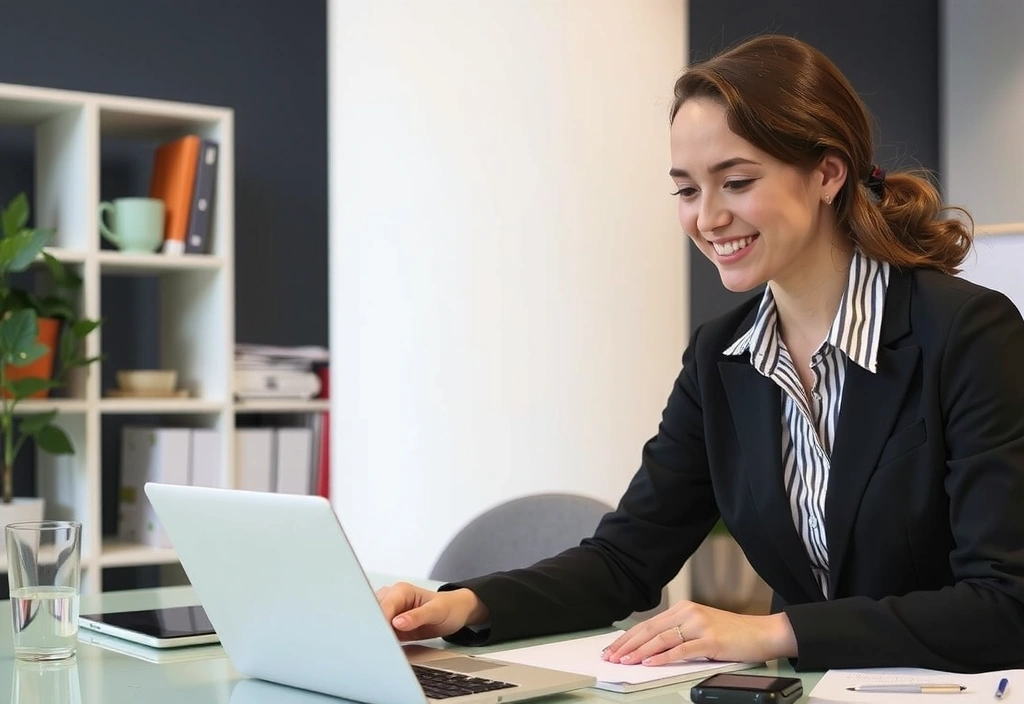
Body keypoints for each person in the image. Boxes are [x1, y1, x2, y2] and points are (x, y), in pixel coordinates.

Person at [377, 34, 1024, 673]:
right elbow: (624, 561)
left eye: (736, 182)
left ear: (828, 174)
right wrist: (461, 605)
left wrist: (774, 632)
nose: (708, 218)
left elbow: (1005, 605)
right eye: (687, 191)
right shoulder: (722, 356)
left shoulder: (967, 333)